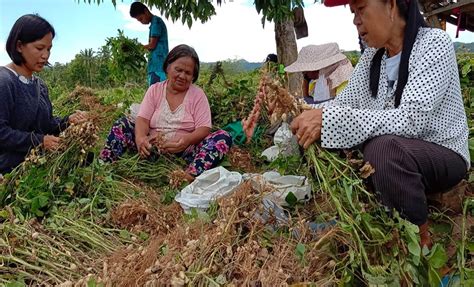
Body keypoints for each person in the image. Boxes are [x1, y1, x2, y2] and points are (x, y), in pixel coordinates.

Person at [290, 0, 470, 248]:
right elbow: (343, 103)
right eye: (353, 13)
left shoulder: (433, 43)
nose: (355, 21)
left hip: (441, 152)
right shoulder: (373, 58)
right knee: (318, 134)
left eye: (361, 9)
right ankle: (351, 219)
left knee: (382, 150)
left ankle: (420, 244)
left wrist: (330, 120)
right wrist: (302, 113)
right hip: (397, 150)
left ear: (391, 5)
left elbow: (411, 120)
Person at [100, 44, 233, 181]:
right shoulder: (154, 90)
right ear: (168, 68)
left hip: (185, 153)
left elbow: (204, 128)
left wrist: (186, 141)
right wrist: (140, 139)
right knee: (122, 124)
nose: (182, 76)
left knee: (223, 137)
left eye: (188, 73)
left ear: (193, 76)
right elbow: (143, 119)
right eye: (178, 69)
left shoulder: (198, 95)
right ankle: (104, 167)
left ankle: (188, 175)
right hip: (151, 149)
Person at [0, 14, 88, 175]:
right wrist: (39, 141)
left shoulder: (39, 85)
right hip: (10, 169)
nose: (46, 55)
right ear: (19, 46)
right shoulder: (5, 81)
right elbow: (1, 133)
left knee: (86, 158)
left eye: (49, 49)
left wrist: (68, 121)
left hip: (36, 159)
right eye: (40, 48)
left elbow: (45, 124)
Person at [285, 43, 354, 104]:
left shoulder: (343, 80)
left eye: (305, 72)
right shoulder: (318, 81)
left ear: (316, 69)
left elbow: (340, 106)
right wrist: (306, 80)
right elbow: (307, 98)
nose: (305, 75)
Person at [130, 1, 169, 86]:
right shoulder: (154, 23)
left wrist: (134, 47)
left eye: (141, 18)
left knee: (157, 94)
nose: (141, 22)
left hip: (158, 67)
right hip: (156, 67)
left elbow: (152, 45)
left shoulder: (156, 22)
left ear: (146, 11)